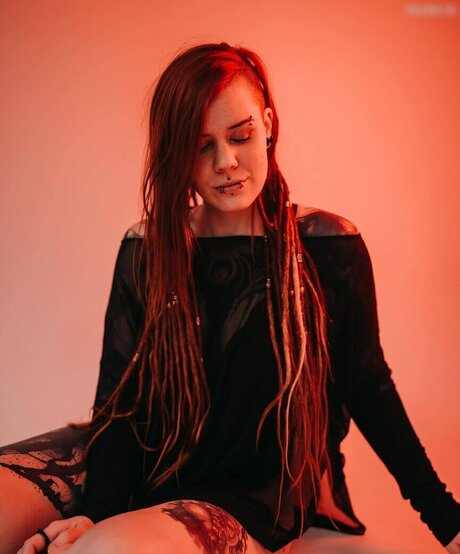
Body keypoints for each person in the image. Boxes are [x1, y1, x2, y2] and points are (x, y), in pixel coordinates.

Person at [2, 42, 459, 554]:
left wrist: (446, 519)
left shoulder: (327, 245)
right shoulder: (148, 247)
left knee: (110, 550)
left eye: (240, 136)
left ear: (268, 125)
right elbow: (121, 404)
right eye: (201, 147)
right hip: (147, 453)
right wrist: (97, 511)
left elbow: (369, 387)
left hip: (251, 489)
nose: (225, 162)